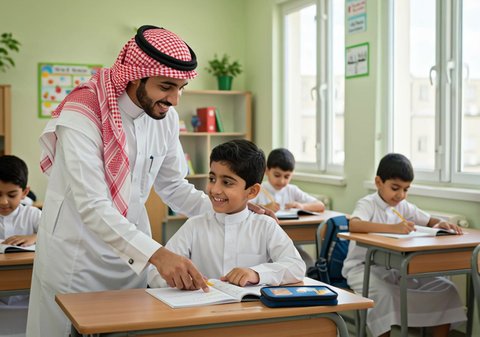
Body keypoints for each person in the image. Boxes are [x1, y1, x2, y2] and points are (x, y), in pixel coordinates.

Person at [27, 26, 271, 337]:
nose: (174, 99)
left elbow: (173, 186)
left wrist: (235, 208)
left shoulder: (164, 118)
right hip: (79, 257)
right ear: (134, 76)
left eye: (181, 88)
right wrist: (158, 254)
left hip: (132, 257)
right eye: (166, 86)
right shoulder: (82, 116)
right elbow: (92, 205)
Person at [149, 139, 306, 288]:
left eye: (227, 182)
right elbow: (155, 272)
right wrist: (181, 280)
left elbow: (296, 266)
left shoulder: (265, 226)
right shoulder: (194, 226)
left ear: (252, 191)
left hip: (250, 312)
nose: (215, 189)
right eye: (212, 178)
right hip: (203, 312)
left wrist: (257, 273)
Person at [342, 153, 466, 337]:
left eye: (406, 189)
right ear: (378, 182)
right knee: (386, 296)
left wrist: (440, 223)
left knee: (447, 290)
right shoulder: (368, 203)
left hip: (396, 269)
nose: (401, 195)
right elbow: (354, 224)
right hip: (363, 269)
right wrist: (394, 228)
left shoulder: (404, 206)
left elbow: (429, 220)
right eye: (395, 188)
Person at [0, 155, 41, 336]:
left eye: (11, 195)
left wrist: (35, 236)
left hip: (27, 298)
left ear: (25, 192)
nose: (4, 202)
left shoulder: (32, 214)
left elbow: (56, 235)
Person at [252, 148, 325, 213]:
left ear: (292, 174)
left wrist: (301, 206)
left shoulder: (292, 190)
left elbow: (320, 205)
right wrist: (265, 208)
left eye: (287, 177)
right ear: (266, 171)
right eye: (277, 175)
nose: (282, 181)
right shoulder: (258, 189)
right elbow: (244, 209)